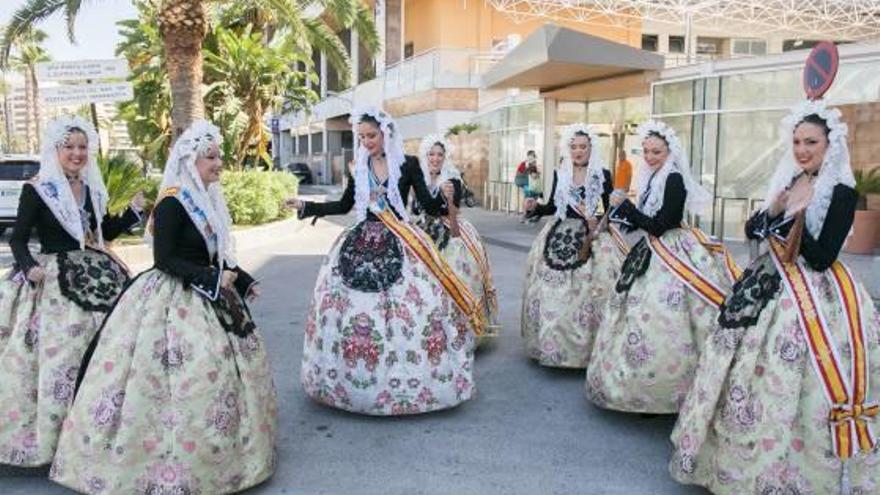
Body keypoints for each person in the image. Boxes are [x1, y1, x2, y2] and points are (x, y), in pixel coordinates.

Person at [50, 120, 277, 494]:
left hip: (209, 292)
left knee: (218, 376)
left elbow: (218, 256)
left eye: (218, 156)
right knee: (173, 378)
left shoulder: (208, 199)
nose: (218, 163)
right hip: (172, 298)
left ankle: (225, 456)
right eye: (211, 158)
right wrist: (210, 279)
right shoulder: (173, 201)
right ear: (191, 162)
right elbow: (166, 259)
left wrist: (245, 280)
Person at [669, 100, 880, 494]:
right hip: (769, 283)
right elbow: (753, 229)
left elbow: (821, 256)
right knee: (745, 371)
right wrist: (779, 209)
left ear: (829, 144)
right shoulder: (792, 181)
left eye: (811, 142)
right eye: (797, 142)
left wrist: (792, 222)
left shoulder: (842, 193)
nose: (802, 150)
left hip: (816, 298)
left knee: (795, 383)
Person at [288, 106, 484, 416]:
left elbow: (428, 206)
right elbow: (344, 204)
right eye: (362, 136)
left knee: (411, 310)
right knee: (348, 311)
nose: (366, 142)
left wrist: (447, 198)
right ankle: (352, 384)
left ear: (386, 134)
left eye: (372, 136)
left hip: (400, 239)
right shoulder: (358, 166)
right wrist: (307, 206)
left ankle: (407, 383)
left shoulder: (407, 164)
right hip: (360, 241)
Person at [0, 115, 144, 467]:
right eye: (70, 147)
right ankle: (59, 436)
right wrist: (28, 266)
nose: (77, 153)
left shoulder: (91, 187)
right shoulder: (38, 188)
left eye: (82, 147)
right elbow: (17, 238)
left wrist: (133, 212)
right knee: (63, 357)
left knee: (113, 350)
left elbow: (101, 230)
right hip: (54, 279)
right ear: (56, 150)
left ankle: (98, 431)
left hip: (98, 273)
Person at [585, 120, 740, 413]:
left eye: (656, 151)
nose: (650, 156)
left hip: (673, 249)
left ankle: (673, 388)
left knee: (669, 315)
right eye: (646, 151)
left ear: (670, 151)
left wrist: (629, 209)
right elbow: (645, 222)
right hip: (652, 249)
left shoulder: (674, 179)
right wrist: (621, 212)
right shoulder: (653, 177)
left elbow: (661, 224)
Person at [521, 123, 623, 368]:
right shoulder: (561, 172)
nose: (578, 151)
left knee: (590, 291)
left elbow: (613, 209)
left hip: (591, 235)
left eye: (583, 147)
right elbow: (555, 207)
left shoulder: (603, 174)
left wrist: (598, 221)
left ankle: (588, 349)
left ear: (591, 148)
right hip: (560, 233)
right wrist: (536, 206)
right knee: (550, 290)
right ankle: (553, 345)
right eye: (574, 147)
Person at [412, 134, 500, 343]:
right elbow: (416, 208)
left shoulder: (452, 179)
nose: (435, 158)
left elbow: (454, 211)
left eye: (439, 154)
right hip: (423, 230)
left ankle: (459, 333)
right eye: (431, 154)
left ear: (445, 157)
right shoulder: (419, 178)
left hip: (449, 230)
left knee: (455, 279)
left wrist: (448, 196)